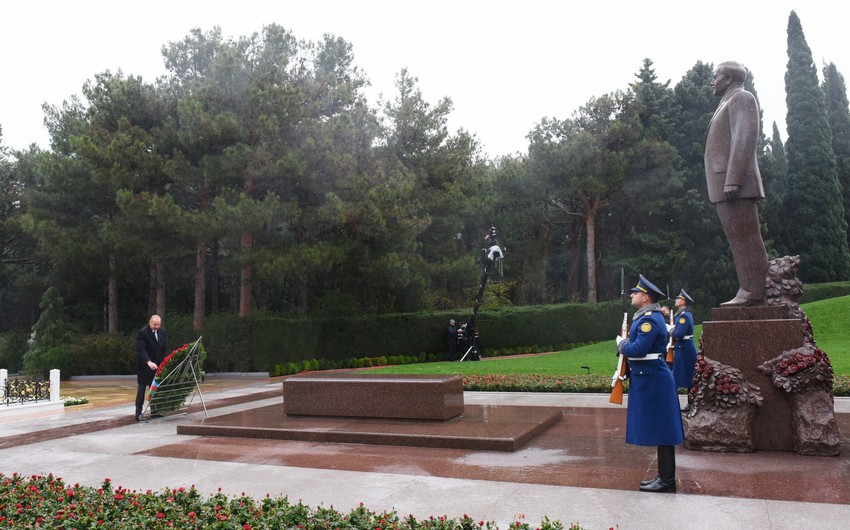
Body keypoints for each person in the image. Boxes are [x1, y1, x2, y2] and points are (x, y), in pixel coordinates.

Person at [704, 61, 769, 307]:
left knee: (747, 237)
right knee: (737, 239)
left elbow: (745, 137)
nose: (713, 81)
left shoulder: (742, 98)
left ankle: (754, 292)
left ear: (729, 78)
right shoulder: (726, 102)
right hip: (725, 185)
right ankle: (748, 289)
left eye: (716, 76)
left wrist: (733, 179)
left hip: (735, 185)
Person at [616, 274, 684, 493]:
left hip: (654, 379)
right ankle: (664, 477)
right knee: (661, 429)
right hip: (650, 378)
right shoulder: (649, 317)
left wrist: (622, 344)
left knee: (664, 430)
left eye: (635, 293)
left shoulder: (649, 320)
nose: (632, 295)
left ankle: (667, 480)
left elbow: (638, 349)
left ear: (646, 297)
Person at [669, 289, 698, 412]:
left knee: (688, 377)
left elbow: (680, 334)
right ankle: (690, 403)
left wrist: (670, 330)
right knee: (686, 377)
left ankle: (690, 403)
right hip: (684, 348)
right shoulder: (683, 314)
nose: (676, 300)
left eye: (678, 299)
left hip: (684, 349)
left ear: (682, 302)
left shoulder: (683, 315)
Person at [135, 314, 167, 422]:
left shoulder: (162, 332)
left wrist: (164, 363)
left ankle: (155, 411)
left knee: (155, 389)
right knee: (142, 390)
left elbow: (164, 348)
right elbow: (141, 349)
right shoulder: (143, 333)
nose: (157, 326)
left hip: (157, 367)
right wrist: (148, 361)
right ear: (150, 322)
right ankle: (138, 413)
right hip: (144, 367)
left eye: (158, 324)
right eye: (155, 324)